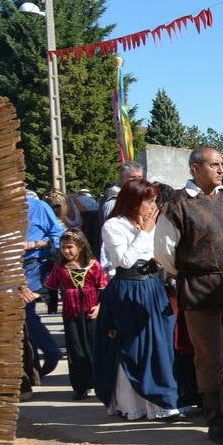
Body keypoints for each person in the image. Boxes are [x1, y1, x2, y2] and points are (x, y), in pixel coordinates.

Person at [155, 147, 223, 445]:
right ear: (195, 168)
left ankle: (221, 408)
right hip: (198, 289)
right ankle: (215, 419)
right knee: (208, 357)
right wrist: (193, 271)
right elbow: (164, 251)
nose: (220, 169)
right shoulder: (177, 204)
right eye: (213, 165)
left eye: (221, 164)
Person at [94, 179, 181, 420]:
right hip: (129, 290)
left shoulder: (155, 223)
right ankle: (133, 403)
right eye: (149, 201)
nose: (153, 206)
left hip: (153, 287)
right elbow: (124, 261)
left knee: (161, 344)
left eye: (155, 201)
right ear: (134, 201)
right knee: (134, 346)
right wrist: (144, 232)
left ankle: (164, 402)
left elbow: (163, 254)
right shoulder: (114, 226)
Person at [43, 229, 107, 400]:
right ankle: (81, 386)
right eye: (63, 247)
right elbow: (50, 287)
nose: (66, 251)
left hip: (91, 313)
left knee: (93, 349)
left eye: (70, 247)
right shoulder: (59, 268)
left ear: (81, 246)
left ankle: (100, 384)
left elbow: (103, 289)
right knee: (76, 350)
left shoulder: (94, 265)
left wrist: (100, 307)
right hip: (71, 313)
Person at [22, 189, 64, 377]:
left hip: (32, 265)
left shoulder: (38, 207)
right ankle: (33, 367)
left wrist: (34, 244)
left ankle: (50, 351)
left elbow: (57, 236)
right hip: (6, 264)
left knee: (25, 312)